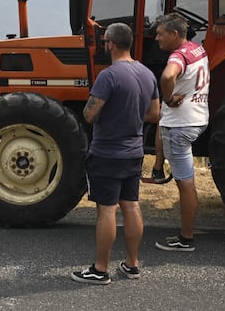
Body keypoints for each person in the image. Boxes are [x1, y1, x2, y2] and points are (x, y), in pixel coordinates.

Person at [71, 22, 161, 285]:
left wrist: (111, 113)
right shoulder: (146, 74)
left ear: (110, 43)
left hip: (107, 153)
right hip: (134, 153)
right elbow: (155, 114)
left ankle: (100, 269)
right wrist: (131, 114)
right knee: (131, 206)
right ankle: (132, 264)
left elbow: (89, 114)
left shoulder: (108, 76)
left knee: (107, 211)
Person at [153, 13, 210, 252]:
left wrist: (167, 97)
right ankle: (157, 168)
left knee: (185, 184)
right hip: (198, 118)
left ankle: (185, 238)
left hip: (180, 127)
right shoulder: (197, 49)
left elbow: (167, 76)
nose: (156, 38)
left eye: (160, 33)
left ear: (174, 34)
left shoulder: (177, 56)